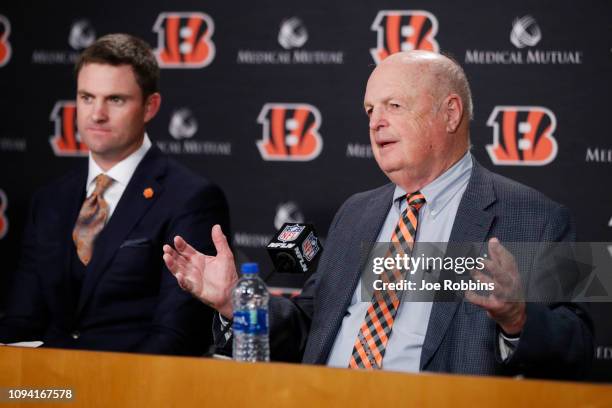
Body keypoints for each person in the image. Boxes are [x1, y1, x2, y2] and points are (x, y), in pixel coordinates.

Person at [163, 51, 592, 377]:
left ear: (451, 113)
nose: (375, 122)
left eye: (394, 106)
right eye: (370, 110)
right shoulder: (356, 213)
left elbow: (580, 346)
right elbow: (308, 325)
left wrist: (517, 318)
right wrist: (234, 302)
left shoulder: (534, 215)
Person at [0, 34, 230, 356]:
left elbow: (176, 336)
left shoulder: (191, 199)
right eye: (86, 97)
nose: (97, 114)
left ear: (150, 107)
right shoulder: (49, 200)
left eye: (115, 99)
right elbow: (20, 322)